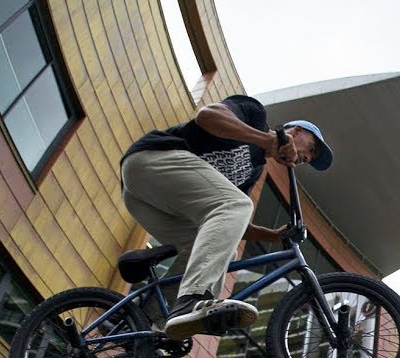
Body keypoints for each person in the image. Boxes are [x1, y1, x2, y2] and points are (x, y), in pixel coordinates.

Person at [121, 95, 333, 340]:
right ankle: (194, 299)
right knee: (236, 205)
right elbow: (207, 116)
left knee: (224, 247)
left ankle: (143, 323)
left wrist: (274, 235)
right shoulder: (254, 115)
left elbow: (232, 223)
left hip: (148, 203)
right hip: (151, 160)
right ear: (296, 131)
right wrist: (266, 138)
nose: (307, 158)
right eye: (312, 148)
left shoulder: (253, 172)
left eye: (311, 160)